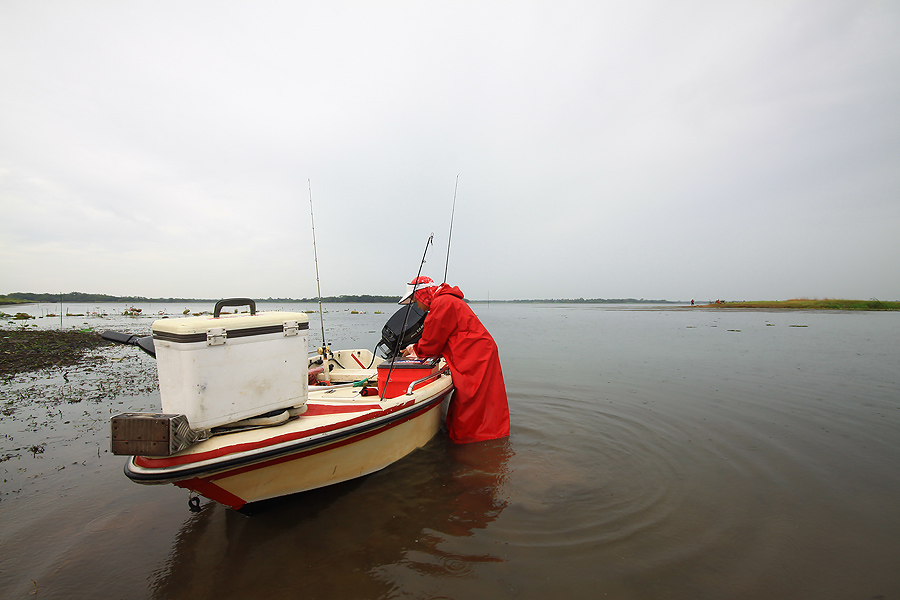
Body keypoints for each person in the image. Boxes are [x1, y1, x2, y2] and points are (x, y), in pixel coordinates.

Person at [399, 276, 510, 444]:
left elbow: (432, 343)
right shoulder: (445, 300)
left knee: (471, 398)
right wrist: (416, 348)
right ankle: (489, 438)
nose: (418, 307)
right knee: (482, 399)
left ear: (421, 294)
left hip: (476, 355)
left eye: (415, 300)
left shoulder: (442, 304)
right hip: (478, 351)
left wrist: (412, 349)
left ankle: (473, 438)